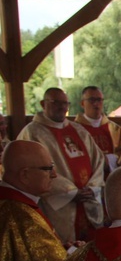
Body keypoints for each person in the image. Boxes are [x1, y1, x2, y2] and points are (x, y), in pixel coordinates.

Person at [17, 87, 105, 243]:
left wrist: (93, 187)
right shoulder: (32, 133)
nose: (62, 107)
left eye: (65, 103)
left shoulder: (79, 130)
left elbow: (98, 160)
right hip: (58, 206)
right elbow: (34, 170)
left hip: (87, 201)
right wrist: (71, 192)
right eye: (56, 102)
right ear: (43, 104)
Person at [74, 86, 121, 174]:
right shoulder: (75, 129)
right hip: (87, 176)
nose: (96, 103)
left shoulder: (115, 129)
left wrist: (110, 160)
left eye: (99, 100)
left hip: (111, 177)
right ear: (82, 103)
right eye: (92, 100)